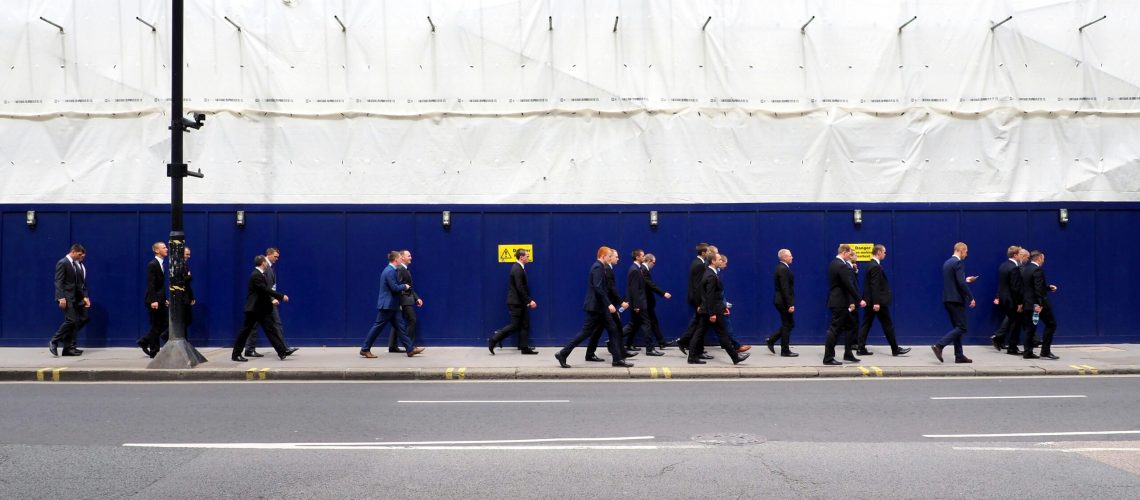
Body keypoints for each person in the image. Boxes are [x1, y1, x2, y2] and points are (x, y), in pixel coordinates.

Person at [554, 247, 632, 368]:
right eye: (609, 256)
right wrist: (609, 304)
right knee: (586, 332)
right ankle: (563, 353)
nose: (610, 258)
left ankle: (617, 359)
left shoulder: (601, 267)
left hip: (600, 307)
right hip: (596, 307)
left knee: (613, 329)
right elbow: (598, 288)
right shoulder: (597, 267)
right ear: (603, 256)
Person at [687, 253, 749, 365]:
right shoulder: (711, 275)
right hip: (713, 310)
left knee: (699, 333)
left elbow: (703, 293)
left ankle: (691, 357)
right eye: (719, 259)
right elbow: (709, 296)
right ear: (713, 261)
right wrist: (712, 313)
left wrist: (702, 306)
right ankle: (735, 357)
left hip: (708, 309)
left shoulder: (710, 273)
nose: (721, 261)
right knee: (722, 334)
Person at [232, 255, 297, 361]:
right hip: (253, 310)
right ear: (263, 263)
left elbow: (264, 292)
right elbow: (266, 290)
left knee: (271, 330)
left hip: (261, 309)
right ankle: (236, 354)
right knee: (245, 332)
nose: (267, 263)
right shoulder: (256, 275)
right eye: (265, 262)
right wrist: (281, 296)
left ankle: (282, 351)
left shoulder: (259, 274)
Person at [361, 251, 424, 358]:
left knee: (401, 327)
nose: (401, 259)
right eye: (400, 258)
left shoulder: (391, 270)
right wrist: (404, 286)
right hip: (387, 306)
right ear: (396, 260)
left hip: (393, 305)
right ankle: (365, 349)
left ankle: (410, 349)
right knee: (377, 327)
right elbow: (394, 288)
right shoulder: (389, 271)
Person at [856, 244, 910, 356]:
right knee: (887, 325)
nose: (885, 254)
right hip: (877, 302)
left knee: (866, 324)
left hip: (869, 301)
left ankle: (860, 348)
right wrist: (876, 302)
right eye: (884, 252)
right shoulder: (875, 266)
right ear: (879, 252)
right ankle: (895, 349)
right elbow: (875, 286)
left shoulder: (870, 265)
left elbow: (869, 286)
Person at [932, 242, 977, 363]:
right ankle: (939, 346)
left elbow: (956, 281)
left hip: (948, 299)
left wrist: (966, 279)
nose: (966, 255)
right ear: (961, 250)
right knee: (962, 327)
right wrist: (971, 297)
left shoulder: (947, 263)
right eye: (966, 252)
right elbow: (961, 283)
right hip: (956, 300)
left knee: (957, 327)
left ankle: (959, 355)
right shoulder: (958, 263)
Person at [489, 249, 538, 355]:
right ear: (521, 257)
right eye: (527, 256)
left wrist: (526, 301)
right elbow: (519, 287)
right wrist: (529, 300)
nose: (528, 258)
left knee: (525, 324)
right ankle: (494, 339)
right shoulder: (517, 269)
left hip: (520, 302)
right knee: (515, 325)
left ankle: (524, 347)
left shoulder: (520, 268)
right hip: (516, 302)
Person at [823, 245, 864, 365]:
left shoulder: (833, 263)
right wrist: (859, 299)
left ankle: (848, 354)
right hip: (840, 302)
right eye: (849, 253)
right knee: (834, 329)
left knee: (851, 326)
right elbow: (849, 285)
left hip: (839, 301)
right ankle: (828, 358)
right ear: (844, 252)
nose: (850, 256)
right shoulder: (841, 265)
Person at [50, 244, 89, 357]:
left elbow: (78, 284)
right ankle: (54, 340)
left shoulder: (75, 265)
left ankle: (67, 347)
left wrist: (84, 297)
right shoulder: (63, 263)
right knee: (71, 321)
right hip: (66, 297)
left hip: (75, 298)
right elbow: (58, 282)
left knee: (82, 318)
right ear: (73, 251)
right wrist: (61, 297)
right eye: (79, 254)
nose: (81, 256)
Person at [623, 249, 662, 355]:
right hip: (639, 303)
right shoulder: (635, 270)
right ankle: (650, 349)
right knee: (647, 325)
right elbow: (635, 289)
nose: (644, 257)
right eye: (642, 255)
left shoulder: (636, 268)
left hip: (639, 302)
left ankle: (613, 340)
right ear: (637, 257)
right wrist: (636, 305)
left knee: (633, 324)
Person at [1021, 250, 1059, 360]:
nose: (1044, 260)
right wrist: (1039, 304)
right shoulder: (1038, 270)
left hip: (1027, 303)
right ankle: (1045, 351)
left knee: (1030, 328)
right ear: (1038, 258)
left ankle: (1027, 352)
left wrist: (1047, 288)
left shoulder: (1025, 269)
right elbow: (1037, 289)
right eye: (1043, 258)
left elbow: (1029, 287)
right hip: (1038, 305)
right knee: (1051, 324)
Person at [676, 243, 713, 357]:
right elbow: (697, 287)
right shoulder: (699, 265)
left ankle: (685, 342)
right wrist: (699, 304)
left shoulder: (698, 263)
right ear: (703, 253)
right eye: (707, 252)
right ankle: (695, 349)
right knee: (701, 326)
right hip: (698, 301)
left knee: (698, 324)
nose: (709, 254)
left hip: (698, 300)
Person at [138, 241, 168, 358]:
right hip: (153, 300)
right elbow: (151, 284)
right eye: (164, 247)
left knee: (161, 324)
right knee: (156, 325)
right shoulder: (153, 264)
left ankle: (145, 341)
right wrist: (153, 300)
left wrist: (164, 299)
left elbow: (160, 286)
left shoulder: (161, 264)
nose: (166, 249)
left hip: (159, 299)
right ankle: (154, 351)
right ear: (157, 250)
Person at [993, 246, 1025, 354]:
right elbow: (1015, 287)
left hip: (1004, 299)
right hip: (1012, 300)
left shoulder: (1003, 265)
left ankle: (1000, 338)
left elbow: (1002, 284)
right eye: (1020, 254)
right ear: (1015, 255)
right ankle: (1012, 347)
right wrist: (1020, 303)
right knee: (1016, 324)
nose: (1021, 256)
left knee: (1011, 321)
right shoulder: (1014, 268)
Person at [766, 249, 798, 357]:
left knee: (789, 324)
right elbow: (785, 288)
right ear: (784, 257)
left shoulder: (782, 268)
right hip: (783, 302)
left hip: (781, 301)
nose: (792, 257)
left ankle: (771, 340)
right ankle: (785, 350)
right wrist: (790, 304)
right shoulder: (783, 269)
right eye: (790, 256)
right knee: (787, 324)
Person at [390, 249, 424, 352]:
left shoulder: (405, 269)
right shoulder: (400, 269)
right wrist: (399, 302)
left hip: (407, 299)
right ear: (402, 257)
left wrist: (416, 297)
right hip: (404, 301)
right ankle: (410, 346)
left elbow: (409, 287)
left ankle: (392, 346)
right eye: (408, 256)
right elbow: (399, 286)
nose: (411, 257)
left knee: (397, 323)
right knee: (412, 320)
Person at [639, 253, 673, 350]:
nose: (654, 265)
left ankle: (661, 342)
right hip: (645, 302)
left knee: (651, 322)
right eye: (653, 262)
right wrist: (663, 293)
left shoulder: (644, 270)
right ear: (649, 261)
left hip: (647, 302)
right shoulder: (643, 270)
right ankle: (658, 344)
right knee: (638, 324)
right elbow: (650, 285)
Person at [181, 246, 197, 331]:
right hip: (183, 297)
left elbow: (187, 285)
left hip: (187, 296)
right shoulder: (179, 265)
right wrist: (189, 276)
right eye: (187, 254)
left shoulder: (185, 265)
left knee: (187, 320)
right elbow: (180, 280)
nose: (189, 256)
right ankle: (166, 334)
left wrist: (192, 297)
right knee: (185, 320)